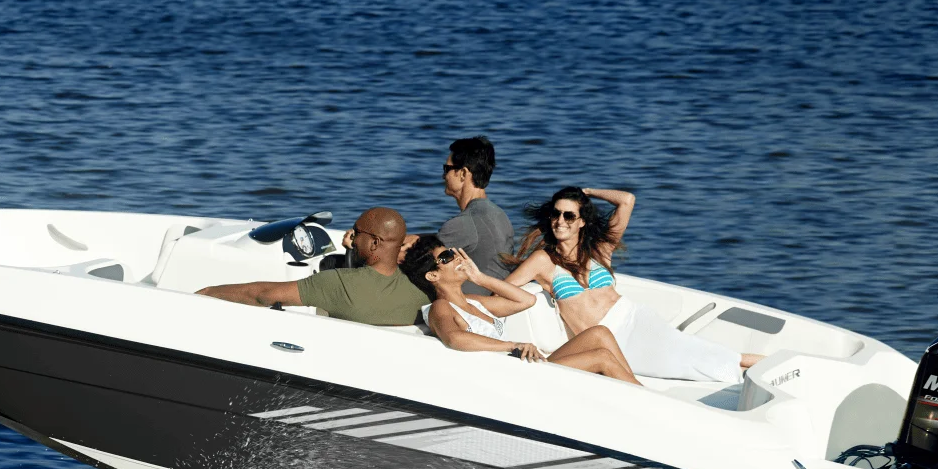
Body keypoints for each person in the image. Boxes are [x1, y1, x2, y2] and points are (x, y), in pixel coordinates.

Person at [502, 186, 762, 382]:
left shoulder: (599, 250)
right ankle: (751, 372)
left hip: (635, 318)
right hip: (609, 340)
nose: (560, 221)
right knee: (688, 361)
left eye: (569, 215)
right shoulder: (543, 261)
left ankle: (770, 366)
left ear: (582, 221)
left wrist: (587, 192)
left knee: (695, 350)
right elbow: (504, 288)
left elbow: (627, 200)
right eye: (556, 214)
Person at [402, 237, 641, 384]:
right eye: (446, 257)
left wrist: (480, 278)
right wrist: (512, 345)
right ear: (432, 275)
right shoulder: (440, 307)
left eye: (453, 252)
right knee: (602, 357)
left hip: (523, 367)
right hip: (512, 378)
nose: (456, 258)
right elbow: (454, 338)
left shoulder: (473, 301)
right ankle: (644, 400)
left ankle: (638, 392)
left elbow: (526, 300)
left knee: (600, 333)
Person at [197, 207, 428, 325]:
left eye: (358, 232)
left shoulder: (337, 284)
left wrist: (206, 293)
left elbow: (262, 295)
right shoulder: (421, 288)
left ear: (375, 243)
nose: (353, 238)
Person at [419, 136, 515, 295]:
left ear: (463, 173)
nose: (443, 176)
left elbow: (417, 260)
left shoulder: (463, 223)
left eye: (447, 169)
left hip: (470, 302)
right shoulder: (499, 215)